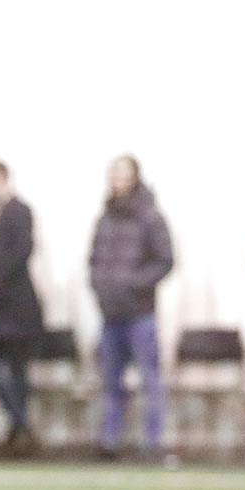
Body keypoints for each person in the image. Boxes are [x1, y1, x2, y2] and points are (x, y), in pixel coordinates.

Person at [88, 155, 175, 459]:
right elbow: (94, 260)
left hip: (140, 313)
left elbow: (166, 261)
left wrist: (133, 284)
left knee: (150, 379)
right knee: (111, 381)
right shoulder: (105, 218)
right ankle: (110, 442)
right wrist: (101, 287)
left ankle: (154, 443)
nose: (117, 181)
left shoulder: (150, 217)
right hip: (110, 313)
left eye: (123, 175)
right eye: (114, 175)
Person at [0, 160, 43, 455]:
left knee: (17, 372)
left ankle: (19, 429)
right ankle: (20, 425)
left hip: (15, 309)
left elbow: (18, 255)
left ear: (2, 178)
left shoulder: (19, 211)